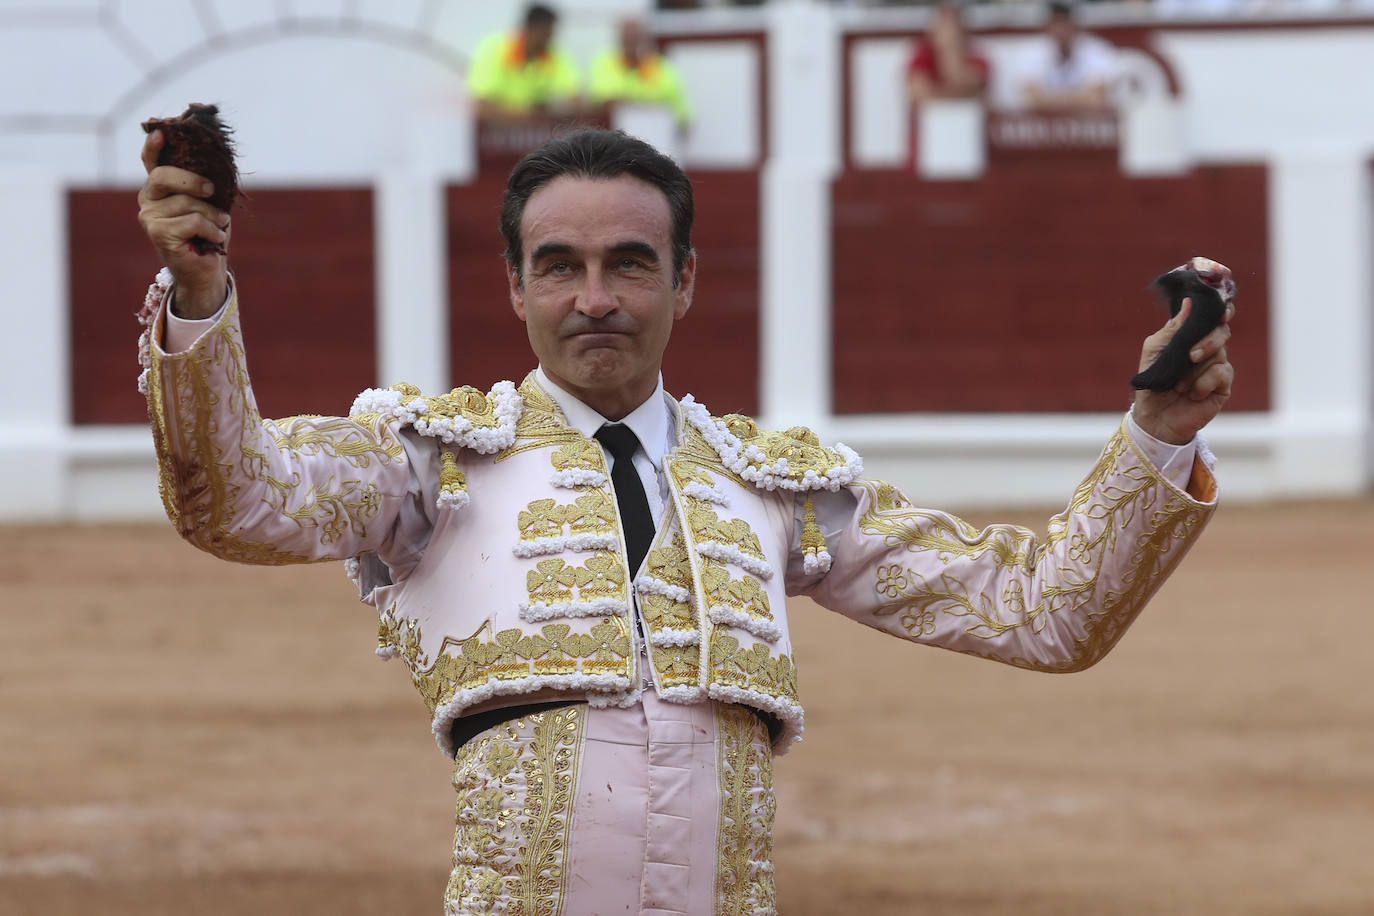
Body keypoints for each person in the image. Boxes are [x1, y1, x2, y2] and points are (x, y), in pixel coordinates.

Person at [135, 126, 1232, 913]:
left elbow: (1042, 611)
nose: (594, 297)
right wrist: (199, 301)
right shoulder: (430, 464)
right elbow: (236, 500)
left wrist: (1160, 434)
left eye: (630, 264)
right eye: (559, 266)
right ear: (515, 287)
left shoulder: (771, 482)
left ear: (686, 281)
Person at [466, 3, 580, 119]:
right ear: (529, 28)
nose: (548, 41)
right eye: (545, 34)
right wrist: (532, 114)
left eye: (550, 35)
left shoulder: (553, 54)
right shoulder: (493, 49)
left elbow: (575, 101)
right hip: (494, 133)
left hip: (534, 131)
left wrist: (557, 107)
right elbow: (481, 107)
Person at [588, 17, 693, 130]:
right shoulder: (604, 62)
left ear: (645, 39)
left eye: (636, 37)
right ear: (619, 39)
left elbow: (680, 109)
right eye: (628, 38)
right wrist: (648, 102)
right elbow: (604, 100)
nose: (632, 43)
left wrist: (630, 101)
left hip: (657, 131)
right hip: (615, 135)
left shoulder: (661, 65)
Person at [1017, 1, 1118, 111]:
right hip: (1043, 125)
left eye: (1065, 22)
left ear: (1076, 25)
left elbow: (1097, 98)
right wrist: (1080, 99)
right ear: (1047, 26)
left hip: (1086, 123)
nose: (1061, 29)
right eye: (1056, 22)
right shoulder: (1032, 50)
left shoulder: (1097, 49)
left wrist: (1048, 100)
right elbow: (1032, 99)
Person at [906, 1, 990, 105]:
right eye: (944, 22)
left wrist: (950, 50)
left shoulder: (977, 54)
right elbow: (920, 94)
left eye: (954, 23)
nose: (949, 30)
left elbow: (973, 88)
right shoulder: (922, 53)